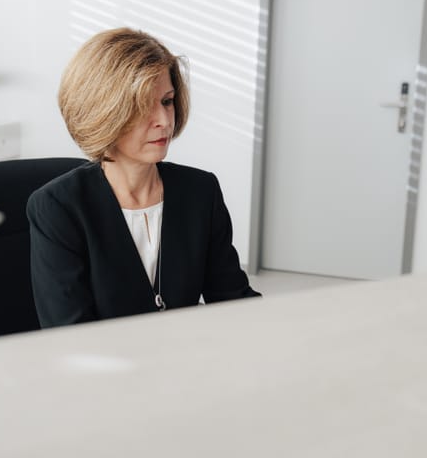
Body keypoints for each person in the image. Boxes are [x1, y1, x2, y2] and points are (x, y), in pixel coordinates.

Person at [27, 28, 261, 328]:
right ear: (104, 112)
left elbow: (232, 299)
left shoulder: (200, 192)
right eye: (142, 106)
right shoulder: (57, 207)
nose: (164, 120)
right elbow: (70, 333)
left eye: (167, 101)